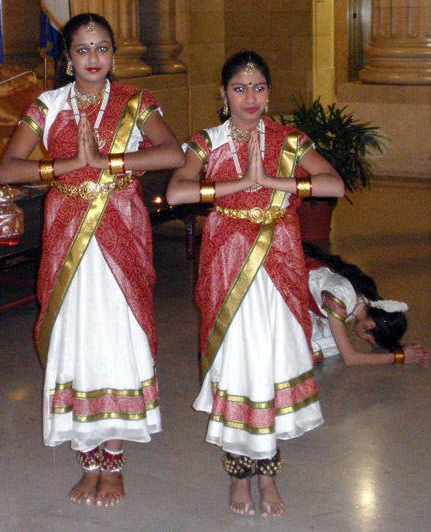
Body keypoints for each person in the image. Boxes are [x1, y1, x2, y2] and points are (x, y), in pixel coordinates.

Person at [0, 13, 184, 507]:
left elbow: (172, 154)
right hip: (67, 236)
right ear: (67, 57)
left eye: (102, 48)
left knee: (118, 336)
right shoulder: (48, 104)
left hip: (121, 229)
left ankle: (115, 460)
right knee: (77, 335)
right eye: (83, 50)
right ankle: (88, 457)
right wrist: (67, 166)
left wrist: (109, 163)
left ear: (113, 55)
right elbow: (7, 169)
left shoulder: (137, 102)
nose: (94, 59)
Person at [166, 50, 345, 517]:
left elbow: (333, 184)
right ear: (223, 94)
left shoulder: (288, 139)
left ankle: (268, 477)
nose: (251, 98)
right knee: (239, 363)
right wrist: (238, 185)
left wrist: (271, 181)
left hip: (279, 262)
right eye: (240, 88)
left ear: (270, 92)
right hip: (228, 261)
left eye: (259, 87)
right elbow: (177, 191)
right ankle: (239, 477)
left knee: (271, 361)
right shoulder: (206, 141)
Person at [303, 242, 431, 367]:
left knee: (330, 345)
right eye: (368, 340)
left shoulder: (364, 300)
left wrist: (401, 348)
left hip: (305, 300)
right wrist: (399, 357)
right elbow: (350, 358)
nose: (363, 340)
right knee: (313, 348)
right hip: (288, 293)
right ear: (369, 325)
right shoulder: (340, 299)